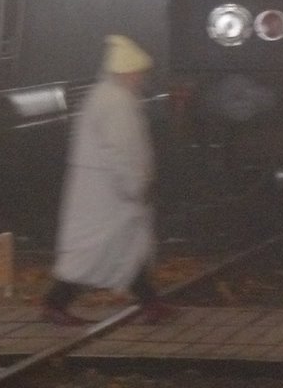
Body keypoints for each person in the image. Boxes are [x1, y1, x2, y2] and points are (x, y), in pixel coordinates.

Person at [40, 34, 179, 326]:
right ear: (127, 72)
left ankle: (151, 302)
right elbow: (123, 150)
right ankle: (55, 303)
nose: (141, 78)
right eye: (138, 72)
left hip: (101, 191)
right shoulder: (118, 102)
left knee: (124, 248)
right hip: (110, 194)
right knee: (97, 251)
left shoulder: (102, 95)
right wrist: (135, 185)